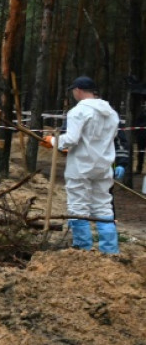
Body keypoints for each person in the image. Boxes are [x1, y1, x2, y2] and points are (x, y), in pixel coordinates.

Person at [42, 76, 120, 254]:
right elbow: (108, 139)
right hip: (103, 165)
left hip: (81, 166)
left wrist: (53, 140)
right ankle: (110, 251)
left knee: (78, 207)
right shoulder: (111, 113)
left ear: (78, 90)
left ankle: (82, 251)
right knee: (103, 205)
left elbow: (70, 139)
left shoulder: (78, 112)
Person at [134, 106, 146, 175]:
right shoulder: (142, 114)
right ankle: (139, 169)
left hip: (141, 135)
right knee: (140, 153)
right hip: (141, 136)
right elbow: (137, 124)